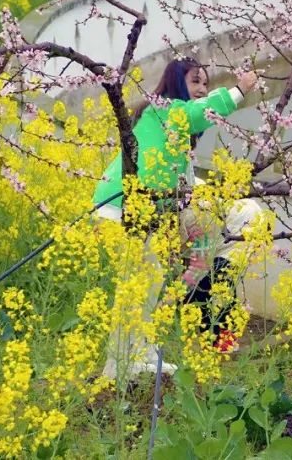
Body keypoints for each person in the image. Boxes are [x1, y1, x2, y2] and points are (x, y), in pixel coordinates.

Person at [93, 58, 261, 379]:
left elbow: (180, 185)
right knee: (138, 285)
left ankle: (135, 357)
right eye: (196, 81)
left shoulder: (175, 137)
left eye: (206, 84)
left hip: (137, 213)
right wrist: (239, 90)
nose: (202, 89)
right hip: (118, 210)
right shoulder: (163, 109)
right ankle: (120, 367)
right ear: (176, 82)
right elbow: (199, 113)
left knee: (146, 280)